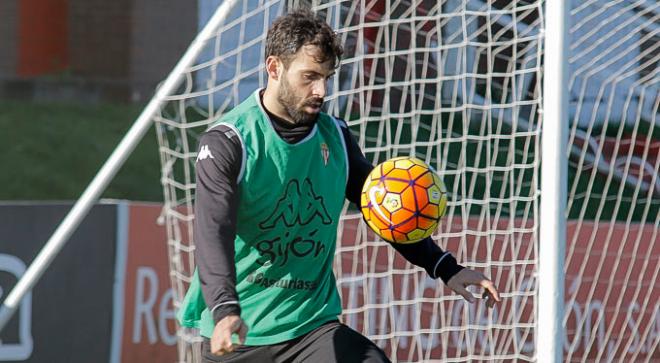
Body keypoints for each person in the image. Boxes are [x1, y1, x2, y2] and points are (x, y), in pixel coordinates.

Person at [178, 9, 500, 363]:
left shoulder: (337, 138)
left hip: (310, 328)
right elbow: (213, 231)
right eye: (310, 77)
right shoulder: (231, 141)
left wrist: (446, 267)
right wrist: (225, 310)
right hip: (238, 333)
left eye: (328, 77)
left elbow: (384, 208)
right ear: (274, 68)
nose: (321, 91)